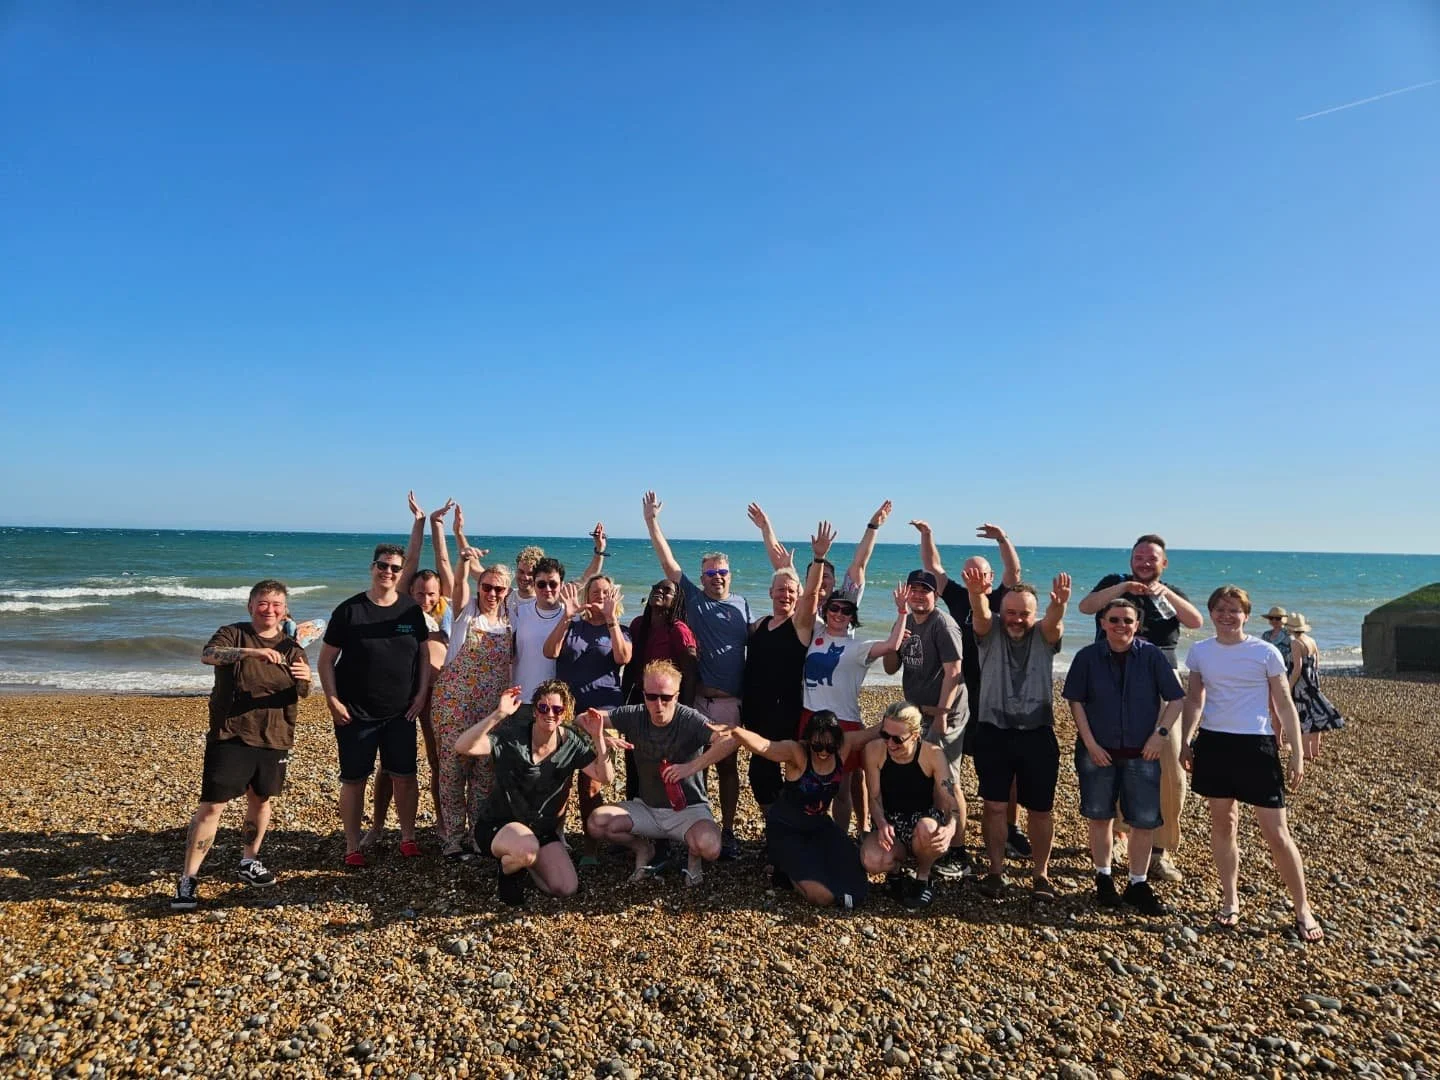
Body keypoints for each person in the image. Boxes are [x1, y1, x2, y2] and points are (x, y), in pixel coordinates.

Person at [1180, 586, 1322, 942]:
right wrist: (1185, 740)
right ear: (1211, 613)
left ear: (1245, 614)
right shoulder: (1200, 652)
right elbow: (1195, 699)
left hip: (1256, 746)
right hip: (1214, 743)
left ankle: (1302, 907)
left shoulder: (1265, 652)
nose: (1227, 615)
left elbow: (1284, 703)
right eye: (1220, 609)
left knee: (1276, 833)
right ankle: (1229, 898)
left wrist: (1297, 753)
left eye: (1235, 610)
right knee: (1224, 824)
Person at [172, 580, 312, 910]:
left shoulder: (293, 648)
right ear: (250, 606)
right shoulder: (232, 633)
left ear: (285, 610)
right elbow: (208, 656)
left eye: (277, 604)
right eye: (263, 603)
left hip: (274, 736)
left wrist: (306, 677)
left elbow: (302, 693)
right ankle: (188, 878)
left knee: (260, 800)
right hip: (230, 734)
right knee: (211, 806)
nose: (270, 609)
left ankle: (249, 860)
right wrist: (253, 652)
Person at [1077, 534, 1204, 883]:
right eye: (1139, 558)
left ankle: (1159, 852)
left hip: (1161, 687)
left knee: (1167, 769)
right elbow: (1086, 607)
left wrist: (1166, 594)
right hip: (1109, 682)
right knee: (1112, 761)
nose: (1145, 564)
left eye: (1152, 559)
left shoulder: (1171, 591)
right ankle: (1118, 835)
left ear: (1163, 564)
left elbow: (1196, 622)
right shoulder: (1113, 585)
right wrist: (1122, 588)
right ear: (1131, 559)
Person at [642, 492, 752, 859]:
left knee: (728, 769)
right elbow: (668, 562)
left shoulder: (742, 604)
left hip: (731, 702)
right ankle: (690, 831)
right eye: (710, 573)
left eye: (722, 572)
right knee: (693, 768)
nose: (716, 578)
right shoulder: (692, 597)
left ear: (729, 576)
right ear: (702, 577)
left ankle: (730, 830)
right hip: (700, 700)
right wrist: (652, 522)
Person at [1063, 597, 1186, 916]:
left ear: (1137, 625)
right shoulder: (1087, 657)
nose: (1121, 626)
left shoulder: (1152, 656)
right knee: (1100, 816)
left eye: (1127, 621)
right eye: (1114, 620)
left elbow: (1175, 699)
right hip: (1097, 751)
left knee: (1143, 821)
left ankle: (1137, 883)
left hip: (1141, 753)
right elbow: (1075, 702)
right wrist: (1090, 743)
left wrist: (1160, 735)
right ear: (1102, 623)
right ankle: (1103, 879)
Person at [913, 519, 1028, 857]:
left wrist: (1003, 538)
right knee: (954, 763)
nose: (973, 578)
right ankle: (954, 828)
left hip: (1001, 692)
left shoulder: (1004, 597)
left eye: (980, 574)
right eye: (968, 573)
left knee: (1006, 771)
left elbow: (1014, 570)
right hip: (965, 690)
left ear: (991, 578)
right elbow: (932, 568)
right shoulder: (959, 596)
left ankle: (1010, 827)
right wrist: (927, 535)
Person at [317, 541, 435, 866]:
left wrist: (421, 694)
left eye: (395, 568)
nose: (388, 572)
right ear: (372, 568)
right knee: (354, 780)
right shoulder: (349, 610)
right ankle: (352, 845)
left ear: (401, 573)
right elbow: (326, 660)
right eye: (383, 565)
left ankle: (408, 837)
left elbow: (424, 654)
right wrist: (332, 700)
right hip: (354, 712)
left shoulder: (411, 610)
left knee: (405, 776)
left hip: (401, 711)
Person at [455, 683, 621, 905]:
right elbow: (463, 746)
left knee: (565, 887)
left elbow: (605, 777)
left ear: (565, 713)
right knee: (526, 848)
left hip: (540, 829)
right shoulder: (514, 738)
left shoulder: (571, 742)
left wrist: (598, 738)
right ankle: (508, 870)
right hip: (500, 824)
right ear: (534, 711)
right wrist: (499, 714)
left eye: (557, 709)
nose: (549, 714)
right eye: (543, 708)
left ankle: (526, 862)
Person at [585, 660, 739, 886]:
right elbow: (584, 719)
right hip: (647, 808)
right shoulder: (635, 715)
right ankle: (643, 849)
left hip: (688, 810)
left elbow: (730, 739)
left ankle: (693, 859)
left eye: (666, 698)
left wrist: (691, 767)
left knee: (711, 848)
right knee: (597, 823)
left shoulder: (689, 719)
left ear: (676, 696)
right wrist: (602, 737)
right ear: (644, 694)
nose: (658, 704)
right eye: (651, 696)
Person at [705, 710, 879, 908]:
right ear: (808, 740)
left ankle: (797, 866)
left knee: (857, 878)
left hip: (819, 827)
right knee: (820, 897)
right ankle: (784, 868)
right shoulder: (796, 753)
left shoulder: (843, 747)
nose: (823, 751)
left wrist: (909, 717)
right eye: (817, 745)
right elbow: (764, 746)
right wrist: (736, 731)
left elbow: (876, 731)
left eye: (829, 746)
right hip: (787, 829)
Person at [966, 572, 1068, 900]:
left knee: (1041, 810)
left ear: (1034, 614)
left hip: (1037, 733)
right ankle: (996, 872)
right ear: (1002, 611)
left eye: (1024, 613)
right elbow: (981, 614)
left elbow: (1053, 624)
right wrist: (975, 592)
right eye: (1010, 612)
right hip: (993, 732)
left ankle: (1041, 875)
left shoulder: (1043, 634)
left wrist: (1060, 605)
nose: (1017, 619)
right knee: (994, 806)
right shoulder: (990, 631)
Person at [366, 496, 456, 850]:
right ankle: (376, 826)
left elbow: (445, 567)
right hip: (403, 694)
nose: (425, 597)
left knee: (437, 761)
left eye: (430, 593)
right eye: (419, 591)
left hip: (436, 694)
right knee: (390, 765)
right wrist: (418, 524)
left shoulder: (447, 610)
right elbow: (412, 562)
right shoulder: (403, 607)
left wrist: (439, 527)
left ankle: (442, 822)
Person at [881, 570, 971, 878]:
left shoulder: (942, 624)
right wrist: (898, 628)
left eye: (926, 590)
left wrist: (943, 715)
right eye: (914, 590)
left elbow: (955, 672)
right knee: (927, 775)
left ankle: (958, 851)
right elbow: (890, 667)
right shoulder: (906, 620)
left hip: (946, 713)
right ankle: (930, 841)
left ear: (936, 595)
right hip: (916, 714)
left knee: (948, 779)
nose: (919, 595)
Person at [802, 581, 909, 833]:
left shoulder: (858, 647)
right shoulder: (815, 633)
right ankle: (813, 834)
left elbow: (892, 645)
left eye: (846, 610)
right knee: (811, 783)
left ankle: (841, 836)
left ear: (852, 617)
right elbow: (802, 601)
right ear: (826, 610)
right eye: (835, 608)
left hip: (843, 722)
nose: (839, 614)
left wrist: (902, 612)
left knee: (841, 788)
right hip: (810, 717)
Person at [430, 543, 514, 857]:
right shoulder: (466, 614)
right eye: (487, 587)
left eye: (498, 589)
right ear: (479, 588)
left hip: (491, 708)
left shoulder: (510, 620)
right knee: (452, 769)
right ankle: (452, 838)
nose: (492, 593)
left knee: (485, 773)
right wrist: (464, 560)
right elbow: (456, 585)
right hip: (454, 704)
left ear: (507, 591)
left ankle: (478, 835)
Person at [741, 525, 830, 812]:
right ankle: (776, 826)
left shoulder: (800, 625)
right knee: (760, 774)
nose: (786, 595)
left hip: (785, 713)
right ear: (770, 592)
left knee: (790, 770)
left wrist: (818, 559)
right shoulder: (759, 625)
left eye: (791, 591)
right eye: (781, 590)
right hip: (756, 711)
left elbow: (813, 595)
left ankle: (794, 824)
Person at [547, 573, 632, 861]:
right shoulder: (573, 625)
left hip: (602, 716)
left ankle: (591, 846)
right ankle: (555, 839)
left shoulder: (619, 628)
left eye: (606, 592)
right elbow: (550, 651)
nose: (599, 596)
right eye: (594, 592)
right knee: (559, 780)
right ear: (585, 598)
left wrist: (610, 621)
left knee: (592, 783)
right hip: (565, 716)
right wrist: (566, 618)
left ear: (613, 596)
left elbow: (623, 658)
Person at [859, 701, 962, 910]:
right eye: (885, 735)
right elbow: (875, 798)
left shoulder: (933, 754)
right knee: (870, 859)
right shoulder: (874, 751)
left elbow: (952, 801)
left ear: (915, 735)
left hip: (922, 818)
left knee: (928, 829)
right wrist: (880, 822)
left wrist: (951, 828)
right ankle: (895, 874)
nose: (890, 744)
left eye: (898, 739)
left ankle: (923, 878)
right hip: (890, 819)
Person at [748, 499, 895, 603]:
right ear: (807, 581)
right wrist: (765, 527)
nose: (820, 580)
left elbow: (859, 564)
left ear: (835, 581)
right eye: (815, 576)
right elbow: (781, 568)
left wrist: (873, 526)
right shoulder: (802, 602)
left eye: (825, 576)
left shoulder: (844, 604)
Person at [1284, 612, 1345, 762]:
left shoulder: (1296, 643)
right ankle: (1315, 750)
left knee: (1304, 718)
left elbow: (1297, 668)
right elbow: (1317, 662)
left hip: (1301, 685)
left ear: (1291, 628)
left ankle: (1306, 753)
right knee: (1316, 717)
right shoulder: (1311, 640)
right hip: (1312, 681)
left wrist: (1289, 686)